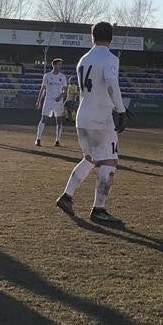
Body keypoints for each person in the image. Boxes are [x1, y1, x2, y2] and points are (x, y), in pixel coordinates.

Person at [56, 22, 127, 227]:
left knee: (90, 158)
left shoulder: (83, 60)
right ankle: (99, 209)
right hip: (100, 119)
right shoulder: (110, 58)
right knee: (109, 161)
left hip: (83, 117)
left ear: (92, 36)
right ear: (111, 38)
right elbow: (112, 83)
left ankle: (67, 196)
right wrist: (120, 110)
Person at [35, 58, 69, 147]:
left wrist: (60, 96)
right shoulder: (47, 76)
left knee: (59, 120)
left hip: (58, 102)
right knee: (44, 118)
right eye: (58, 64)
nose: (60, 66)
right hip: (48, 100)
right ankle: (38, 139)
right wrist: (39, 101)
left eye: (61, 64)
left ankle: (57, 140)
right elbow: (42, 89)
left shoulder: (62, 76)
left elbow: (65, 90)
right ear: (54, 65)